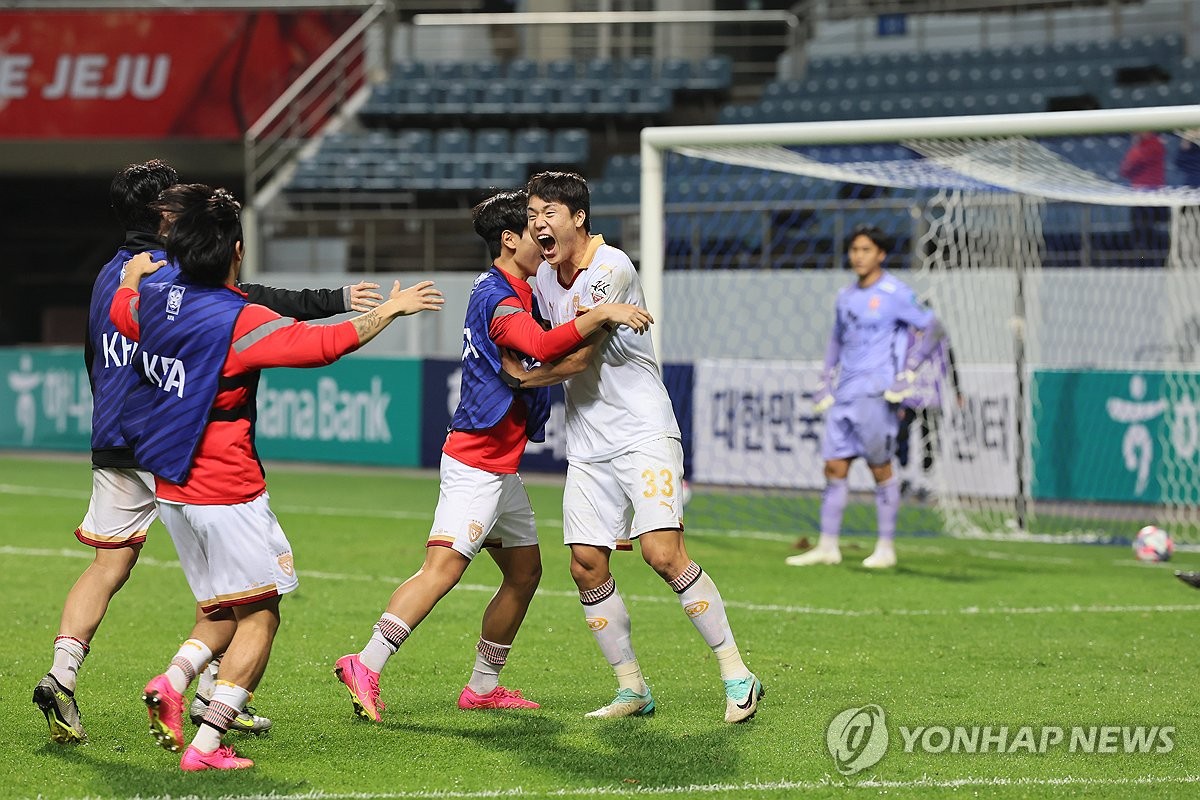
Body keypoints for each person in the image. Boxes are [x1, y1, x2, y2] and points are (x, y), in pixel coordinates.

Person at [32, 160, 385, 746]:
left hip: (115, 434)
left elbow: (99, 349)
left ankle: (62, 676)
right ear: (164, 217)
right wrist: (338, 299)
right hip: (177, 439)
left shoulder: (112, 275)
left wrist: (109, 418)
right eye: (175, 203)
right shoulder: (180, 272)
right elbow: (250, 304)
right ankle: (213, 702)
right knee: (239, 591)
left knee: (108, 566)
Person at [110, 184, 443, 771]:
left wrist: (133, 276)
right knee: (261, 617)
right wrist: (390, 308)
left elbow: (124, 311)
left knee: (219, 611)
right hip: (225, 487)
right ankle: (208, 746)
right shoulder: (240, 321)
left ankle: (174, 680)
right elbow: (323, 344)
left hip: (172, 489)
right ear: (236, 252)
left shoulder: (157, 303)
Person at [333, 189, 653, 721]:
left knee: (525, 571)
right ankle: (365, 662)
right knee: (442, 569)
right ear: (509, 239)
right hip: (477, 459)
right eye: (532, 227)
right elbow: (544, 347)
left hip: (501, 466)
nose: (543, 236)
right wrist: (604, 313)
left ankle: (483, 686)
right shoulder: (500, 297)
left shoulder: (515, 289)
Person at [500, 171, 763, 724]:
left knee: (662, 555)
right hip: (589, 441)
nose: (537, 224)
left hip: (642, 432)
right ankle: (631, 688)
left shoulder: (610, 267)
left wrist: (517, 379)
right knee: (586, 564)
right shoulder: (546, 277)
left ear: (578, 218)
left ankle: (738, 673)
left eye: (547, 212)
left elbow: (577, 359)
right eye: (531, 216)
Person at [787, 225, 945, 570]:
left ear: (881, 255)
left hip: (877, 392)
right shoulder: (845, 296)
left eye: (866, 250)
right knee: (833, 465)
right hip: (845, 392)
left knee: (879, 467)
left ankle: (886, 547)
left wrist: (909, 372)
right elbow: (836, 340)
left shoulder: (895, 292)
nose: (858, 256)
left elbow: (934, 327)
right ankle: (828, 545)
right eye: (855, 249)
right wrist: (826, 379)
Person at [1119, 132, 1166, 258]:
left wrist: (1135, 147)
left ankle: (1150, 258)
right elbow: (1125, 170)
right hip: (1139, 195)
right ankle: (1141, 256)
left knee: (1147, 228)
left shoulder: (1154, 144)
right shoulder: (1142, 145)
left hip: (1153, 195)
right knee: (1139, 228)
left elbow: (1133, 162)